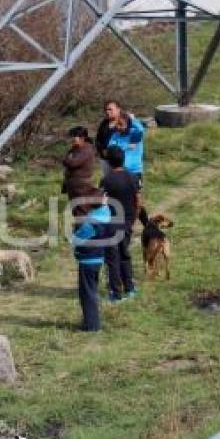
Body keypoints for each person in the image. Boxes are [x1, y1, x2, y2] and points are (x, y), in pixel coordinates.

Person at [100, 145, 140, 302]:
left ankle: (116, 293)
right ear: (123, 159)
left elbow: (101, 202)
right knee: (125, 254)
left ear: (109, 162)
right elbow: (138, 200)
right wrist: (134, 218)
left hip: (111, 222)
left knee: (112, 258)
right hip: (127, 222)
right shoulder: (133, 177)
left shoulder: (106, 180)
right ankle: (129, 288)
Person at [71, 191, 113, 332]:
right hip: (99, 258)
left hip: (87, 261)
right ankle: (92, 322)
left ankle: (92, 326)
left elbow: (76, 239)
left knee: (87, 293)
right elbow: (104, 205)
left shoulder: (91, 222)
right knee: (93, 290)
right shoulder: (106, 215)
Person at [96, 100, 146, 186]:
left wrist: (133, 120)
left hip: (134, 170)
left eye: (121, 124)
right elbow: (110, 146)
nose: (118, 127)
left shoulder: (134, 133)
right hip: (120, 170)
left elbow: (140, 129)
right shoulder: (115, 134)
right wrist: (103, 151)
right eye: (117, 124)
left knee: (135, 194)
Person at [62, 126, 97, 207]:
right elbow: (66, 159)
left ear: (82, 138)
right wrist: (67, 159)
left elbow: (72, 162)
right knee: (75, 209)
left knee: (82, 209)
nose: (72, 139)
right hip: (72, 185)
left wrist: (67, 160)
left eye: (74, 136)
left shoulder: (86, 149)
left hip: (82, 186)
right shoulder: (74, 149)